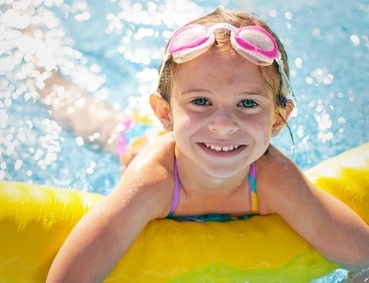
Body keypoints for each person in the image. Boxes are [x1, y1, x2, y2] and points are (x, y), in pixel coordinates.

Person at [44, 8, 369, 282]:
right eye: (201, 100)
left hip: (188, 136)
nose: (224, 124)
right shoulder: (153, 181)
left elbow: (361, 256)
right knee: (86, 118)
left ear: (277, 120)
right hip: (140, 142)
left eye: (247, 103)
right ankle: (42, 70)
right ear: (164, 112)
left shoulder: (273, 176)